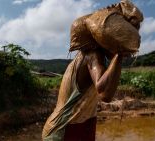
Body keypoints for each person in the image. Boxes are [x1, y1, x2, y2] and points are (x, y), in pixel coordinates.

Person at [42, 0, 143, 141]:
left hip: (82, 125)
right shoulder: (91, 54)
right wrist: (119, 54)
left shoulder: (96, 57)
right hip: (65, 128)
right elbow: (105, 93)